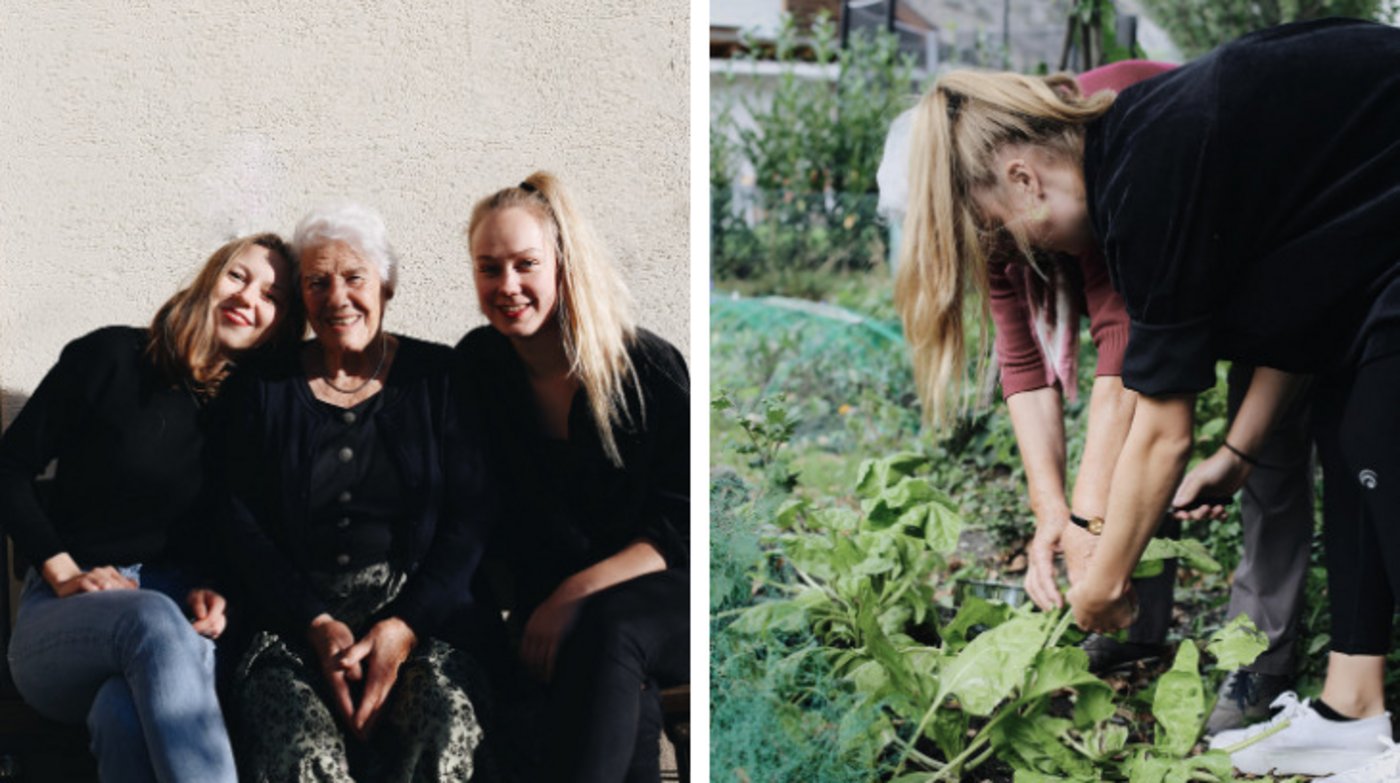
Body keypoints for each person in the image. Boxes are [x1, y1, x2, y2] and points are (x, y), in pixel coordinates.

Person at [892, 18, 1400, 780]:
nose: (1027, 256)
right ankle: (1352, 710)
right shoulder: (1131, 152)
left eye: (1005, 232)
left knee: (1382, 449)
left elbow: (1160, 427)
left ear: (1026, 179)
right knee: (1352, 432)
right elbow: (1305, 318)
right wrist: (1235, 457)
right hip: (1370, 256)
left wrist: (1099, 588)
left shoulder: (1143, 181)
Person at [0, 233, 296, 783]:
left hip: (174, 628)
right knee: (151, 620)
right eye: (239, 276)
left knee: (121, 714)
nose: (248, 296)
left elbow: (234, 532)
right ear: (211, 278)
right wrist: (63, 572)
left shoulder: (248, 415)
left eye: (272, 296)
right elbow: (8, 469)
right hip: (64, 627)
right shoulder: (110, 357)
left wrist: (214, 591)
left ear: (278, 326)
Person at [220, 203, 494, 782]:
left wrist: (403, 627)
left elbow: (469, 521)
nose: (337, 296)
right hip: (294, 627)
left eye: (354, 278)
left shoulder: (437, 379)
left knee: (444, 720)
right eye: (317, 282)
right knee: (300, 745)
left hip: (420, 623)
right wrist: (314, 622)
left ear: (386, 285)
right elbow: (239, 519)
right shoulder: (265, 389)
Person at [456, 171, 689, 783]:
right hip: (560, 617)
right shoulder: (479, 369)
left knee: (612, 629)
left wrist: (571, 597)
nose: (507, 286)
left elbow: (681, 525)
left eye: (525, 264)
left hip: (666, 595)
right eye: (489, 268)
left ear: (562, 264)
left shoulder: (645, 369)